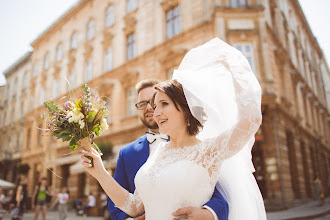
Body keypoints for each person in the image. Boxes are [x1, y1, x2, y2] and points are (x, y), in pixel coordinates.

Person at [80, 38, 266, 219]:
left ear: (186, 110)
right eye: (154, 105)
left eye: (163, 104)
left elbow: (251, 119)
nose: (155, 111)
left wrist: (235, 67)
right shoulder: (158, 154)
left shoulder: (210, 150)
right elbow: (135, 206)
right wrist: (100, 173)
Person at [107, 78, 228, 220]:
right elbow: (115, 201)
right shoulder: (127, 153)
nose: (150, 108)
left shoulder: (198, 147)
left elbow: (221, 190)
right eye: (142, 104)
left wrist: (209, 213)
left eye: (154, 102)